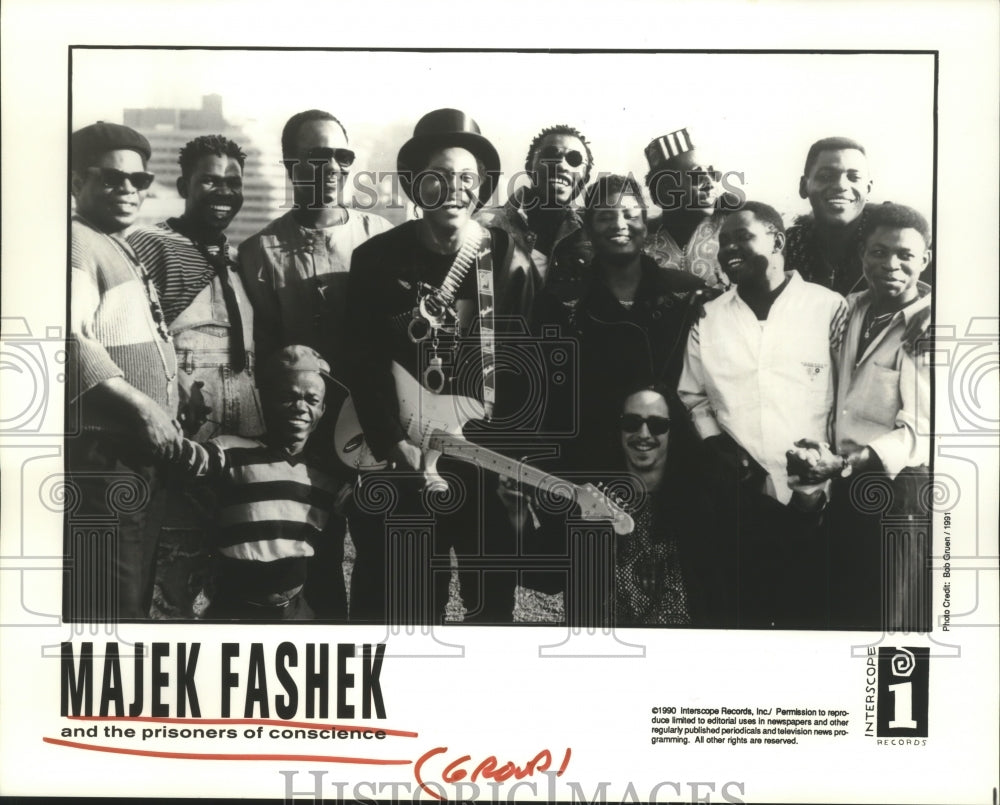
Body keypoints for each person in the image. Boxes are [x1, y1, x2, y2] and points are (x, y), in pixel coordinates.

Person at [347, 108, 537, 623]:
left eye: (467, 179)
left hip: (484, 457)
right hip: (407, 456)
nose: (454, 189)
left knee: (489, 611)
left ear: (481, 190)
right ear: (414, 185)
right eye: (439, 177)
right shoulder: (375, 261)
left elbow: (524, 368)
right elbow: (362, 363)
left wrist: (511, 459)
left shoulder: (509, 261)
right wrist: (393, 443)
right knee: (405, 606)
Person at [678, 201, 846, 627]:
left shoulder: (829, 308)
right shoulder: (709, 317)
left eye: (742, 237)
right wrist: (715, 442)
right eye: (723, 241)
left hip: (816, 502)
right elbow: (694, 395)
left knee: (807, 623)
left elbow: (851, 391)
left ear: (778, 240)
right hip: (740, 502)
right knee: (744, 620)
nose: (729, 247)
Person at [787, 202, 932, 631]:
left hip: (897, 495)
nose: (891, 264)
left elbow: (919, 433)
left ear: (925, 260)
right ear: (863, 255)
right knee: (840, 615)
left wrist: (848, 463)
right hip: (842, 490)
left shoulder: (929, 327)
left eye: (905, 255)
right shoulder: (847, 309)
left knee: (888, 621)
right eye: (878, 252)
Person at [66, 121, 181, 620]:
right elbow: (69, 340)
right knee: (108, 608)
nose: (128, 190)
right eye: (112, 179)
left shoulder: (113, 241)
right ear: (76, 183)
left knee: (128, 600)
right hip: (102, 456)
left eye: (138, 181)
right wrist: (144, 406)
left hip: (131, 456)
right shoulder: (75, 241)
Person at [534, 173, 708, 475]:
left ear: (645, 224)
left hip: (678, 458)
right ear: (588, 228)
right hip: (590, 461)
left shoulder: (688, 293)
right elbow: (547, 397)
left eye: (630, 215)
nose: (619, 225)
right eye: (605, 217)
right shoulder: (559, 303)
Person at [172, 346, 350, 620]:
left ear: (322, 410)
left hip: (295, 616)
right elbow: (181, 457)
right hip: (232, 613)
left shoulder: (326, 479)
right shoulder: (230, 452)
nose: (300, 407)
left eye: (311, 400)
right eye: (288, 397)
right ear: (266, 399)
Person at [238, 109, 393, 375]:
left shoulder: (382, 235)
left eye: (342, 157)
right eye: (319, 156)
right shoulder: (257, 253)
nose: (333, 168)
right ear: (290, 165)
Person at [128, 134, 262, 442]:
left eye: (234, 183)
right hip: (178, 432)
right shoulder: (149, 245)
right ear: (182, 186)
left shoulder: (240, 260)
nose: (225, 192)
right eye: (210, 181)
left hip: (245, 438)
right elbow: (126, 343)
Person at [476, 124, 593, 285]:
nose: (561, 165)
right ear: (529, 168)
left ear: (585, 179)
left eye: (574, 160)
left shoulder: (591, 236)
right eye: (550, 154)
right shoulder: (484, 225)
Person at [642, 128, 734, 290]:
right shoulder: (642, 244)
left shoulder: (733, 231)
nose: (709, 181)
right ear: (666, 188)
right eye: (697, 172)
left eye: (711, 172)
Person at [784, 136, 876, 295]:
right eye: (826, 176)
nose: (841, 185)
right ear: (804, 186)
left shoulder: (892, 245)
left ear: (867, 188)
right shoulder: (785, 250)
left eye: (854, 178)